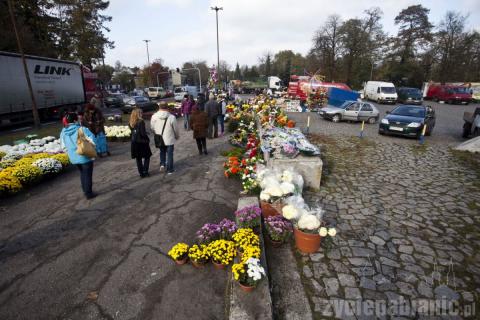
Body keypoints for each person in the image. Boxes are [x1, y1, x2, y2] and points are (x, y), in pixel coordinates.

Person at [60, 112, 97, 199]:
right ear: (75, 120)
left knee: (82, 173)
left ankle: (85, 190)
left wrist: (71, 153)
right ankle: (89, 193)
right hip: (85, 156)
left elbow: (63, 146)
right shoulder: (82, 129)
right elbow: (93, 140)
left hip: (74, 157)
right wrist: (93, 148)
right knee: (87, 174)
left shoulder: (63, 132)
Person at [151, 101, 179, 174]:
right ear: (167, 107)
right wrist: (177, 136)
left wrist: (156, 133)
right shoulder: (171, 117)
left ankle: (162, 164)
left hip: (159, 138)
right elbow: (175, 128)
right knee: (170, 154)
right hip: (169, 138)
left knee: (162, 152)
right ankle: (170, 169)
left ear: (159, 107)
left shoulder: (154, 116)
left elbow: (152, 128)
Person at [129, 108, 152, 178]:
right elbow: (142, 133)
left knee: (138, 158)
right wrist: (147, 138)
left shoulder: (131, 122)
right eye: (141, 113)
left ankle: (141, 173)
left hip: (134, 142)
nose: (142, 114)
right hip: (142, 142)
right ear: (138, 114)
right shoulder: (141, 121)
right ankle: (145, 171)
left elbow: (134, 131)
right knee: (147, 156)